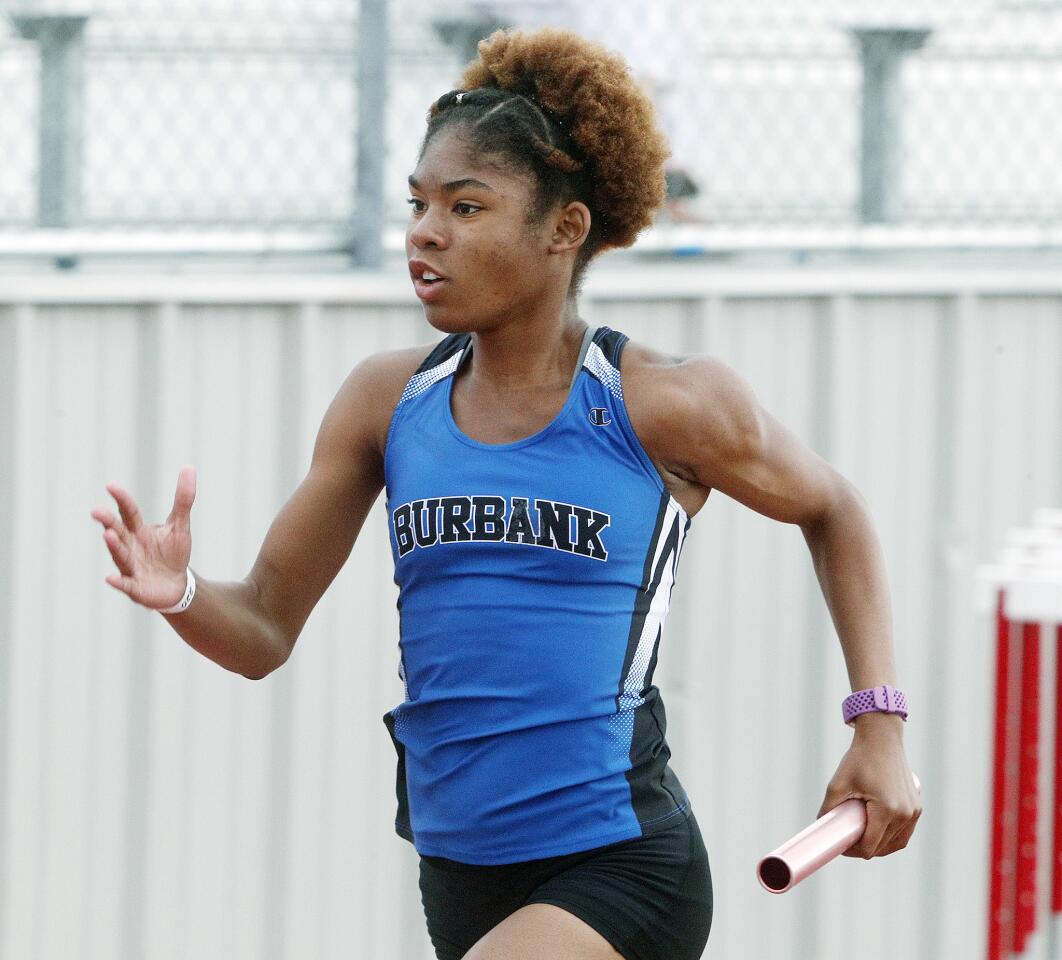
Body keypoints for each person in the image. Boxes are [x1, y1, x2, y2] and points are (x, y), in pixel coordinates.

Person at [90, 26, 922, 960]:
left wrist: (877, 728)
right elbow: (264, 634)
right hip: (457, 871)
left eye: (467, 205)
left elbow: (834, 509)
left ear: (565, 228)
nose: (425, 232)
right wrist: (185, 594)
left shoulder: (662, 403)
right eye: (418, 203)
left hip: (621, 863)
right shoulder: (386, 402)